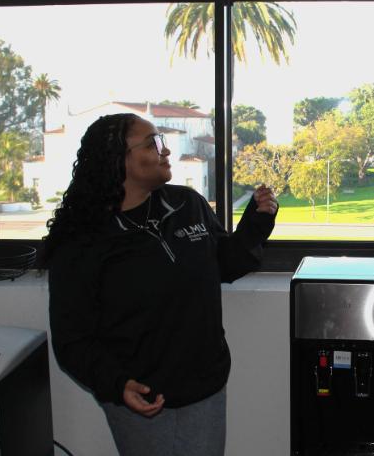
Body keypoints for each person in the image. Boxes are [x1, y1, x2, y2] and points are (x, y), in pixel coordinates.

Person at [45, 113, 278, 456]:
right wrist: (117, 384)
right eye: (153, 143)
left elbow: (223, 264)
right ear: (119, 159)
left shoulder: (187, 204)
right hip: (140, 396)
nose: (165, 150)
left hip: (205, 388)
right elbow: (72, 338)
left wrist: (256, 223)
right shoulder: (82, 240)